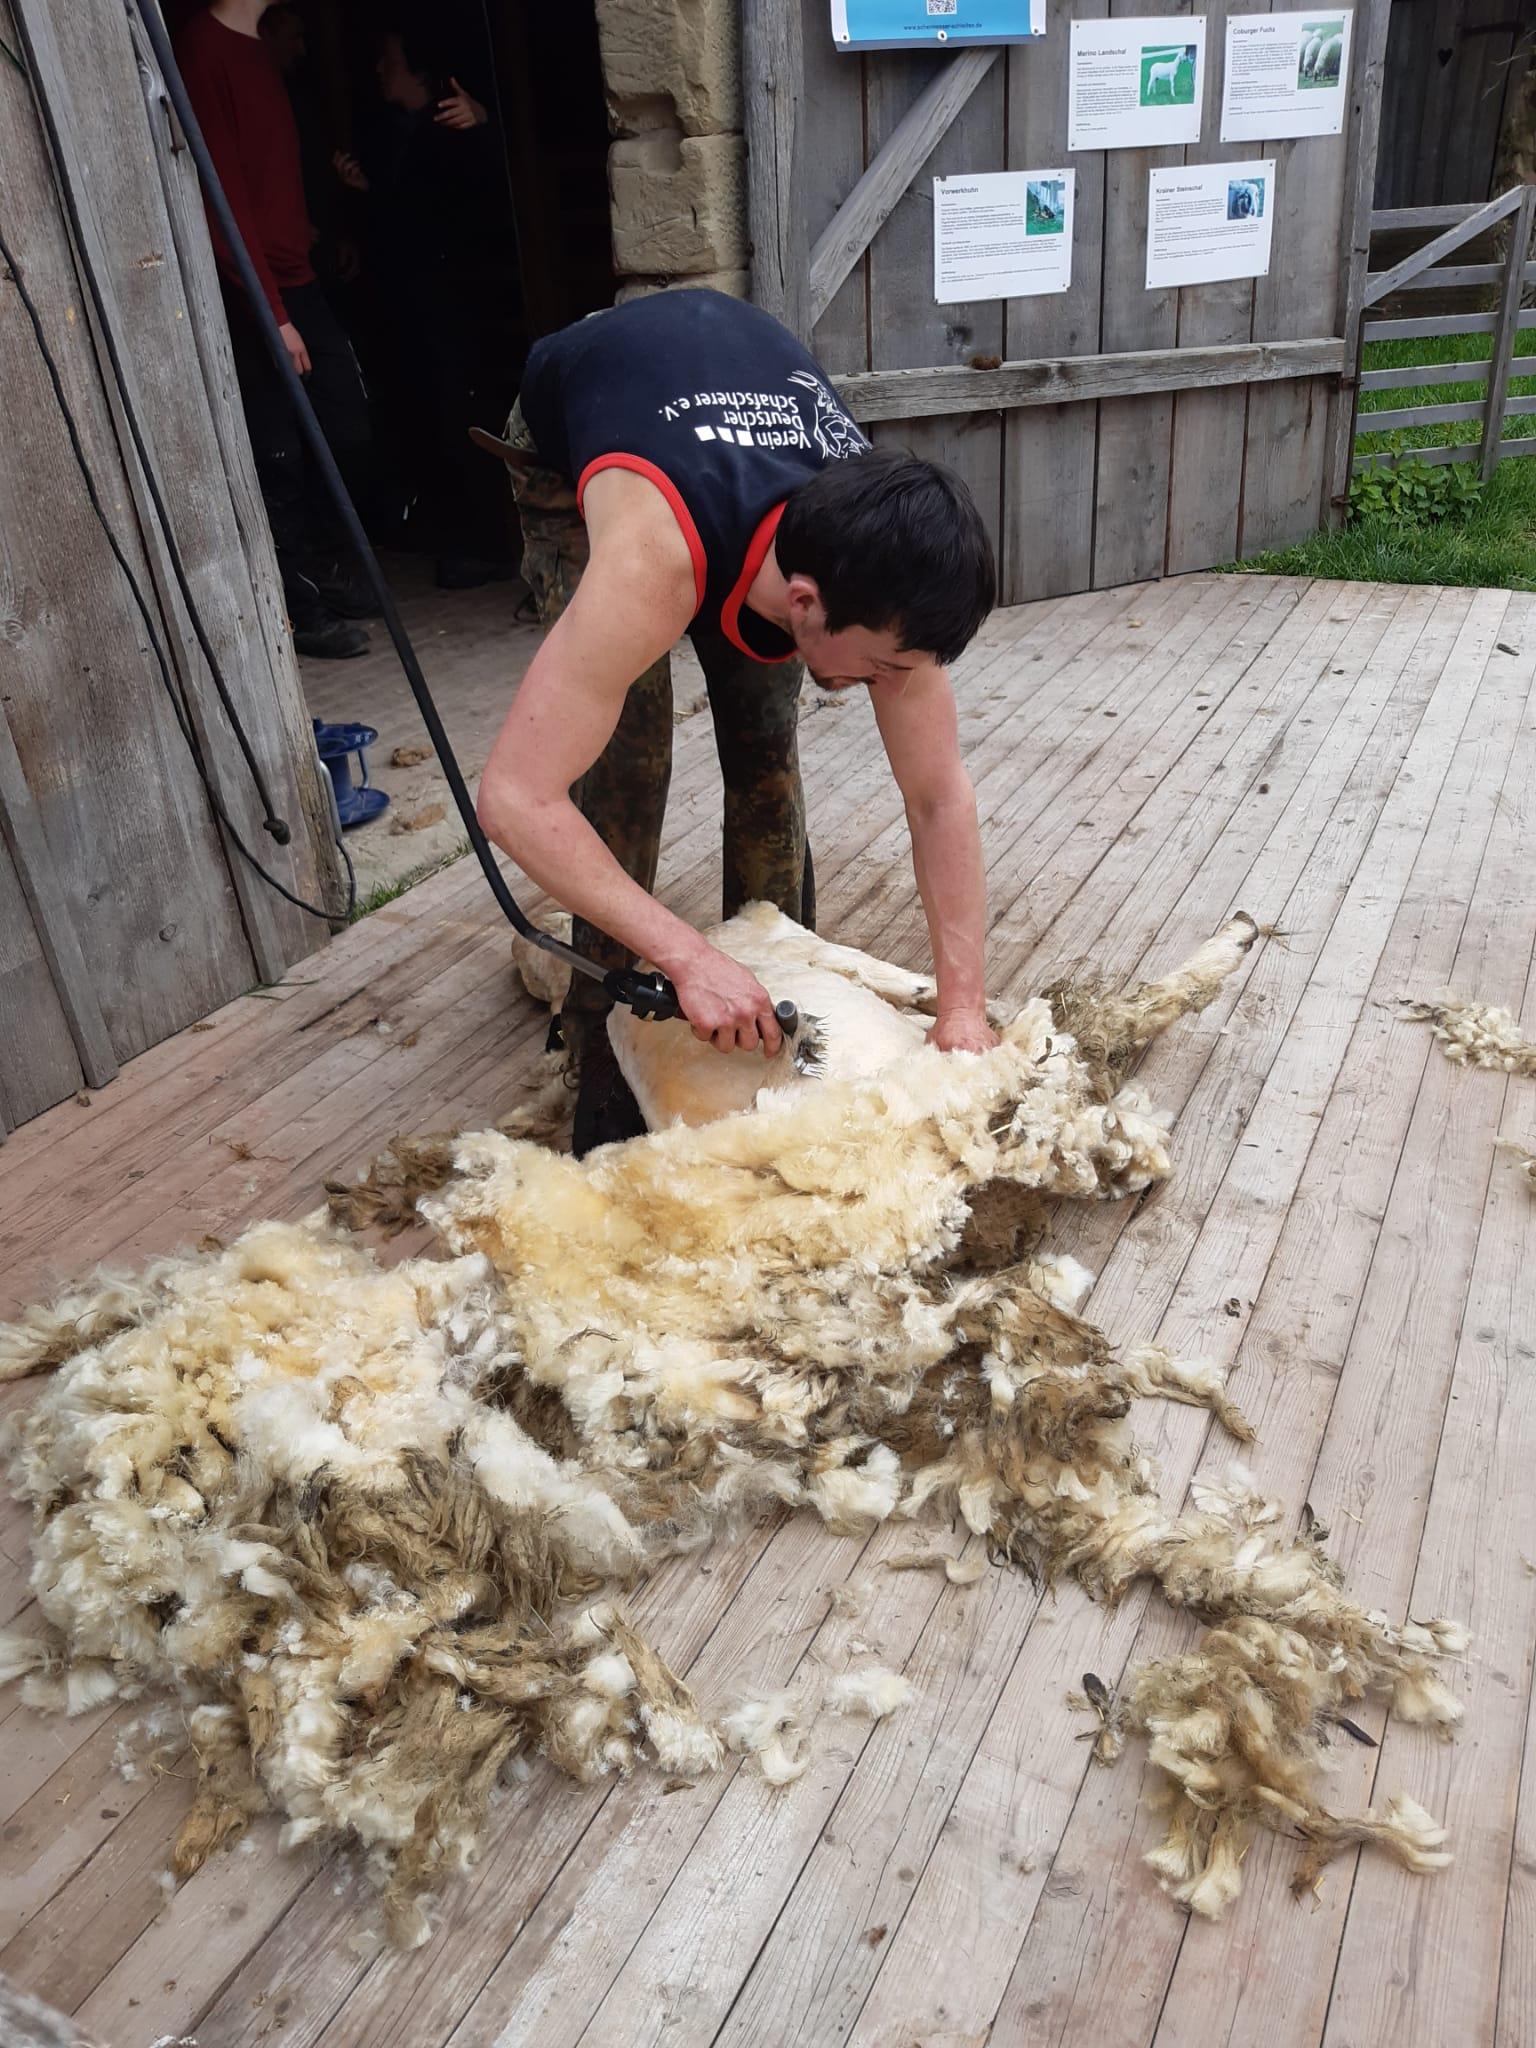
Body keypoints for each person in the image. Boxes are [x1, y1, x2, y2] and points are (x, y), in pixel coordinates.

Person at [475, 287, 1000, 1156]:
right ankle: (600, 1033)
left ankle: (772, 969)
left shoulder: (883, 578)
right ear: (805, 600)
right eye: (879, 668)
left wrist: (964, 1008)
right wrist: (684, 957)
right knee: (624, 771)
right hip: (582, 427)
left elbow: (940, 799)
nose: (887, 687)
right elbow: (517, 799)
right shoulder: (653, 561)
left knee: (765, 755)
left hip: (733, 403)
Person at [176, 0, 378, 659]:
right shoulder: (204, 48)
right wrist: (274, 313)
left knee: (342, 418)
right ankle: (299, 607)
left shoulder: (258, 48)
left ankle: (321, 568)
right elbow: (222, 196)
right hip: (254, 292)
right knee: (278, 451)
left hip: (296, 276)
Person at [334, 24, 524, 590]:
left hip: (461, 309)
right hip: (421, 310)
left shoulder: (453, 130)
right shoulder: (402, 133)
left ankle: (485, 545)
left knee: (463, 419)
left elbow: (490, 199)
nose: (378, 70)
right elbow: (407, 220)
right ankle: (457, 539)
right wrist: (366, 195)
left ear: (418, 70)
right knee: (430, 419)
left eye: (388, 60)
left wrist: (487, 125)